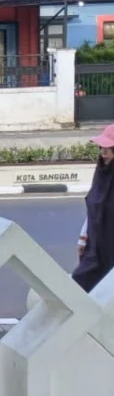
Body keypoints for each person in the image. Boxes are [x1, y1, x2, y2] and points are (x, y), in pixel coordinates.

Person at [72, 124, 114, 292]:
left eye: (109, 148)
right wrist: (83, 237)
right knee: (79, 285)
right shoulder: (102, 173)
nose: (103, 152)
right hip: (96, 247)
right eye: (101, 147)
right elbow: (94, 206)